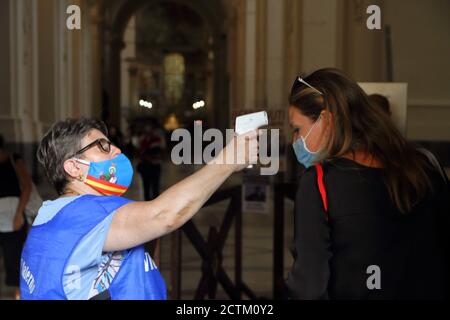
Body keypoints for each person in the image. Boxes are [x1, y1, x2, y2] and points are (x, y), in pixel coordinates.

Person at [19, 118, 258, 300]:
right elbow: (164, 215)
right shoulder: (82, 215)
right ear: (73, 167)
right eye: (102, 146)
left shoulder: (53, 216)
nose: (117, 151)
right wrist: (228, 161)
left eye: (111, 144)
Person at [285, 68, 449, 299]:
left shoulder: (319, 182)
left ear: (325, 120)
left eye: (297, 129)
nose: (295, 141)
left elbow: (308, 287)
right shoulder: (426, 165)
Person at [0, 135, 32, 299]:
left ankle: (19, 294)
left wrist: (19, 214)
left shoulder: (14, 159)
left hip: (14, 215)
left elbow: (27, 186)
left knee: (15, 258)